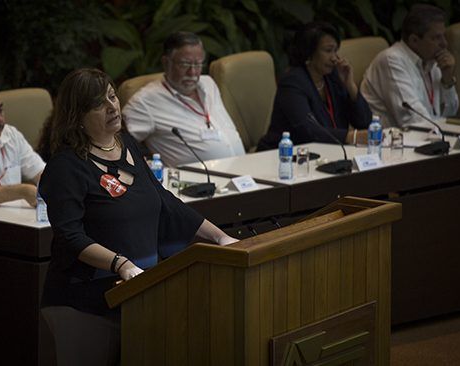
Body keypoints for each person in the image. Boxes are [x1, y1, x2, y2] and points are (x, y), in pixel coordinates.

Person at [38, 68, 238, 366]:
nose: (112, 107)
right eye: (98, 104)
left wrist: (221, 237)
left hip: (139, 294)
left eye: (112, 96)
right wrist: (121, 264)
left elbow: (164, 202)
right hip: (85, 302)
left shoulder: (127, 145)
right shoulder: (66, 167)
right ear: (76, 116)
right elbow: (70, 236)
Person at [122, 31, 245, 167]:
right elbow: (118, 145)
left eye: (198, 64)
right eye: (185, 64)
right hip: (197, 184)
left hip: (244, 174)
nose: (192, 73)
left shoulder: (209, 84)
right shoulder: (145, 101)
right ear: (166, 62)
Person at [257, 22, 372, 150]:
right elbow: (308, 131)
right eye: (328, 51)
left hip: (328, 154)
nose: (334, 58)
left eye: (335, 51)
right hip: (281, 157)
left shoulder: (333, 77)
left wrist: (351, 87)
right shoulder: (292, 83)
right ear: (309, 53)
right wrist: (352, 137)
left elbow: (365, 122)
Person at [361, 4, 458, 127]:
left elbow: (451, 115)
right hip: (387, 142)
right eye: (436, 38)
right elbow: (414, 120)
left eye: (443, 36)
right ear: (414, 40)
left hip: (426, 137)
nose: (444, 43)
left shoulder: (431, 59)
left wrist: (447, 80)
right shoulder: (392, 60)